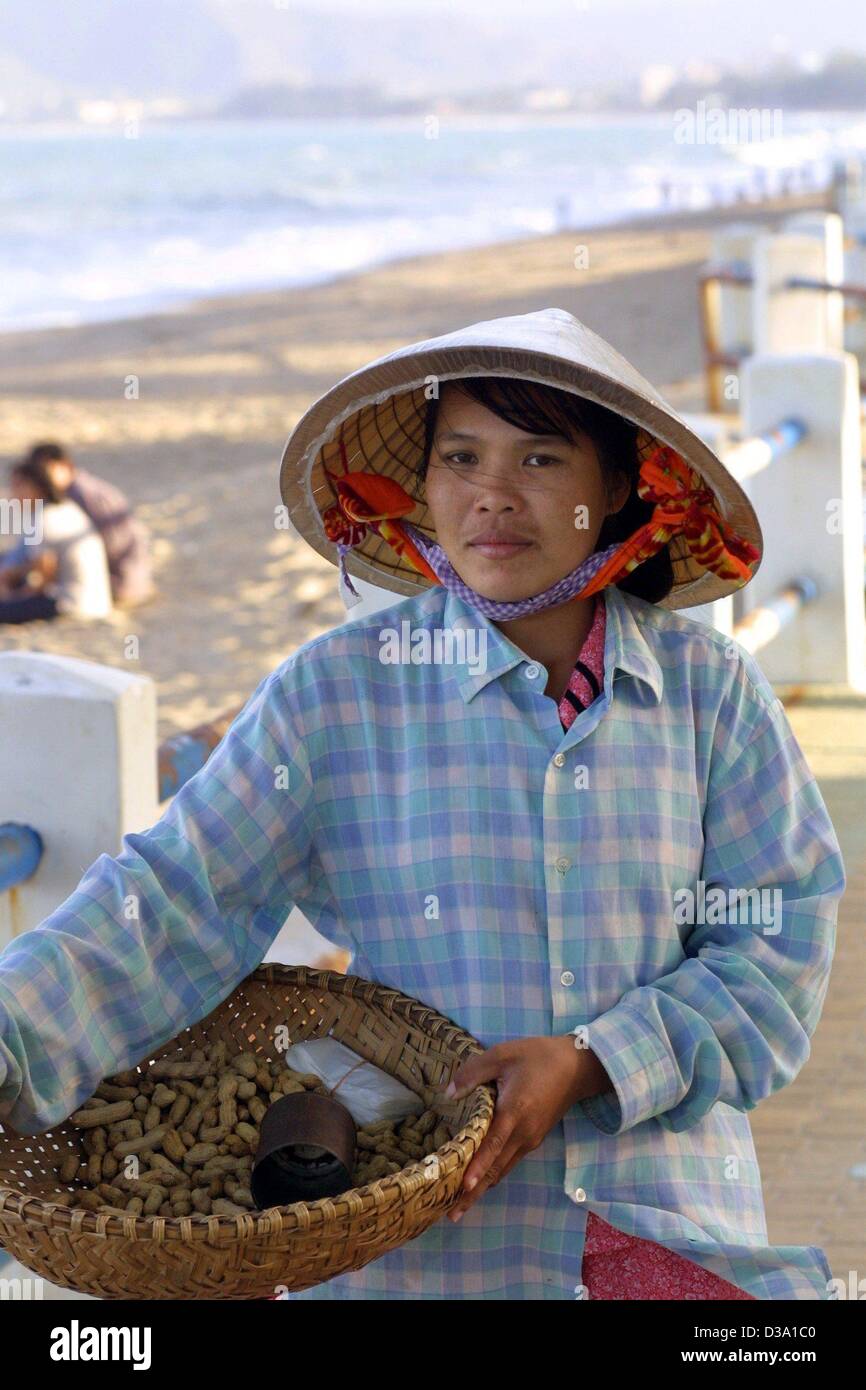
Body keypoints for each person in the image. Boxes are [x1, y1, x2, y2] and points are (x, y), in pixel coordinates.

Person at [0, 308, 845, 1301]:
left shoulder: (710, 694)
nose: (491, 496)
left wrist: (592, 1060)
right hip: (419, 1249)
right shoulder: (333, 694)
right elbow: (172, 895)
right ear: (424, 484)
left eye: (539, 460)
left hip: (658, 1222)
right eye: (460, 457)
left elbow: (778, 940)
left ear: (616, 488)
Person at [12, 442, 155, 609]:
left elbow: (112, 547)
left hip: (115, 582)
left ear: (64, 465)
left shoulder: (85, 496)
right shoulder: (62, 499)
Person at [0, 456, 113, 624]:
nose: (13, 493)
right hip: (94, 600)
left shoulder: (44, 519)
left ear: (36, 488)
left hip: (72, 605)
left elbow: (44, 579)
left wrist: (13, 596)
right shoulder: (64, 508)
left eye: (19, 486)